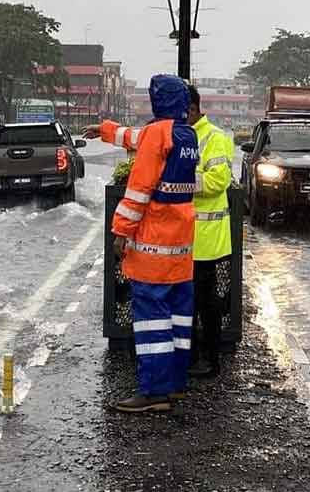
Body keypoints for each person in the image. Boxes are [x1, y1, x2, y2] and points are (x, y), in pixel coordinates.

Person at [85, 75, 199, 413]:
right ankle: (175, 385)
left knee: (151, 322)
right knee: (178, 320)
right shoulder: (185, 134)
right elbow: (141, 138)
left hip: (153, 246)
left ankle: (153, 392)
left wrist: (120, 232)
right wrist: (106, 129)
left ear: (156, 101)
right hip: (181, 247)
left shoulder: (156, 135)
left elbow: (137, 192)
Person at [185, 85, 234, 379]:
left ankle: (211, 360)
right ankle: (191, 356)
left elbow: (217, 182)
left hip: (206, 237)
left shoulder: (216, 138)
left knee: (205, 301)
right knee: (187, 301)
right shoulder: (182, 135)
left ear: (191, 108)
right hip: (182, 235)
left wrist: (179, 179)